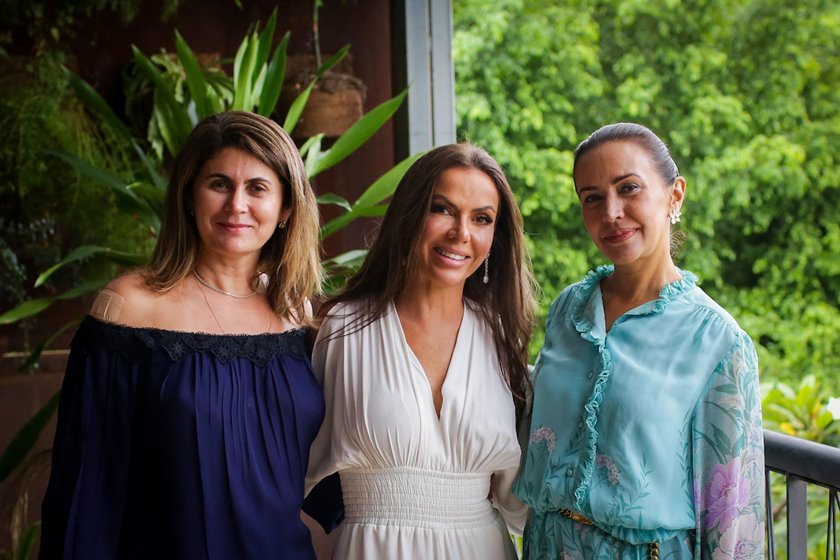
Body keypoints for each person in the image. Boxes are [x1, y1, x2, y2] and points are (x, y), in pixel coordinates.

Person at [39, 111, 339, 559]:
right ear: (188, 197)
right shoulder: (128, 308)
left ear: (286, 209)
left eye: (257, 188)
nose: (236, 204)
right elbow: (87, 489)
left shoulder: (295, 313)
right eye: (219, 184)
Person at [514, 122, 766, 559]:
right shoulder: (567, 310)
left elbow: (733, 518)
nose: (611, 212)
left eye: (628, 188)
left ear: (675, 195)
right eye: (592, 197)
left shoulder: (717, 340)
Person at [305, 143, 536, 559]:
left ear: (493, 239)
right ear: (410, 216)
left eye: (481, 219)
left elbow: (520, 501)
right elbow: (298, 478)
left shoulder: (501, 339)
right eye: (443, 209)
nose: (461, 233)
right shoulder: (344, 329)